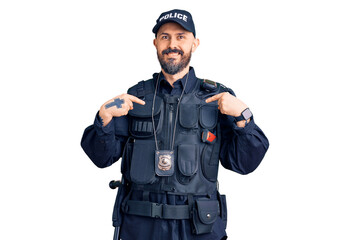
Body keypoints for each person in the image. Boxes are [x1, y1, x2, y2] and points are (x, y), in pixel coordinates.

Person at [81, 9, 269, 240]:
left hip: (199, 228)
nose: (172, 44)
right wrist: (103, 119)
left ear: (195, 43)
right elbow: (102, 158)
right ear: (155, 43)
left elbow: (243, 164)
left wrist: (243, 116)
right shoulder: (135, 98)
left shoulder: (217, 98)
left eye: (181, 37)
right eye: (165, 37)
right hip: (141, 227)